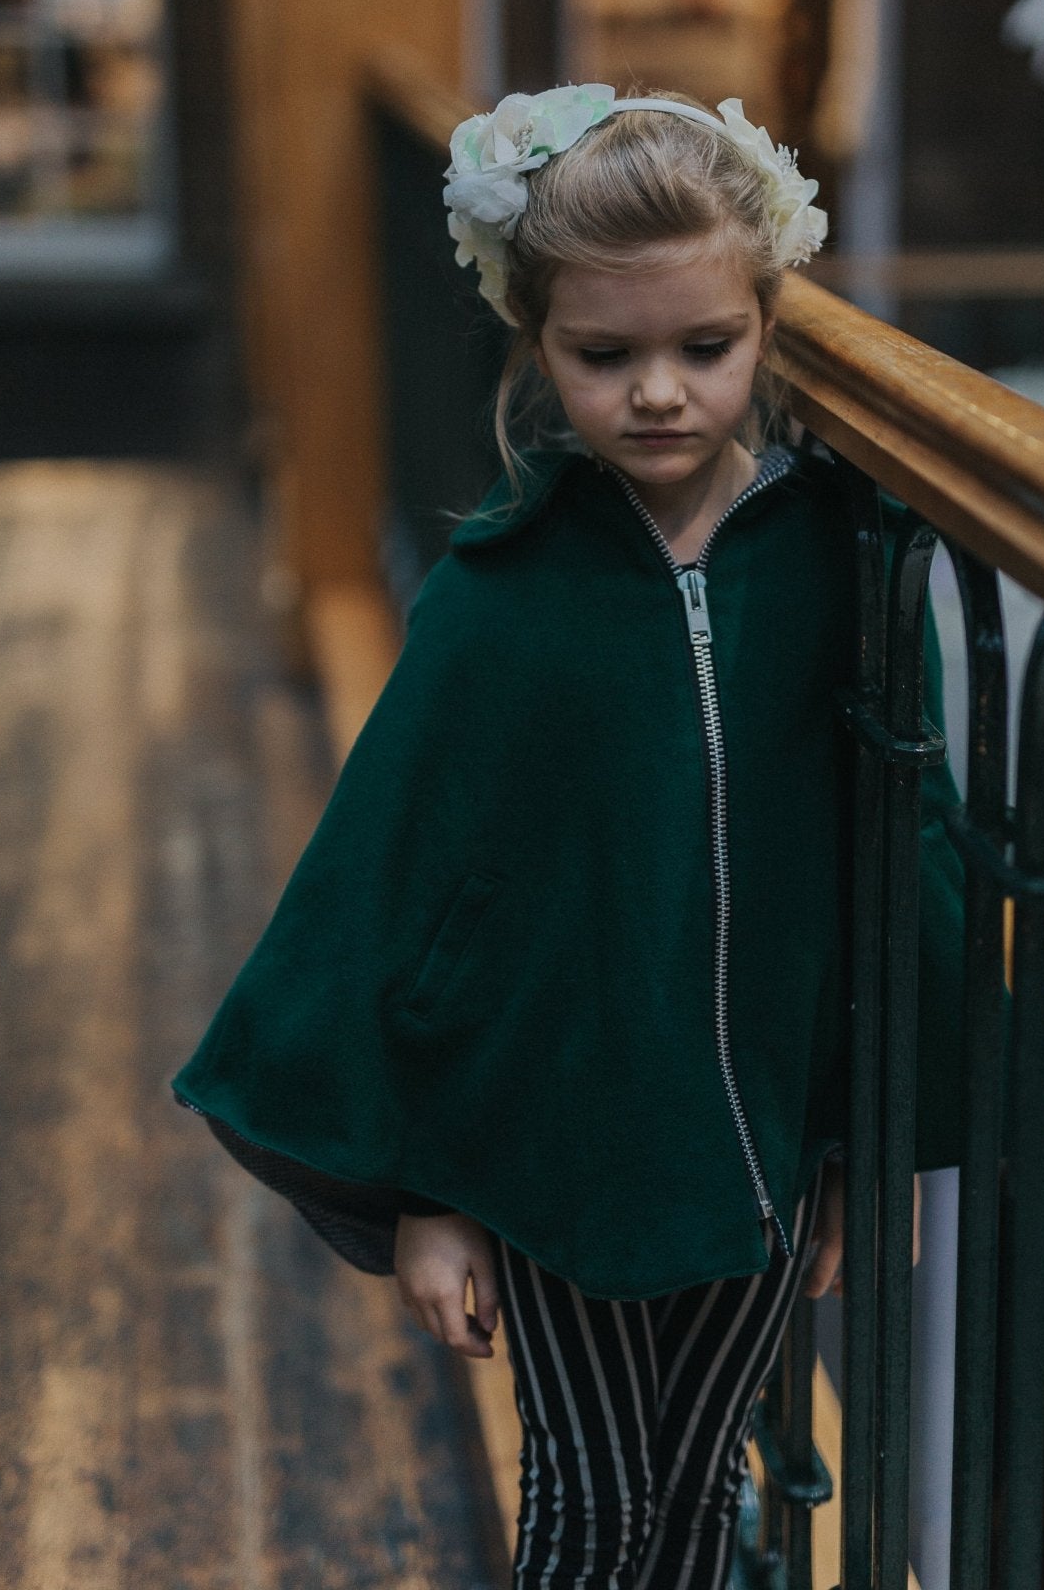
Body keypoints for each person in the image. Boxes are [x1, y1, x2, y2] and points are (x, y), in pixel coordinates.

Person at [171, 82, 976, 1590]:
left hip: (759, 1151)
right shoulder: (498, 599)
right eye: (605, 357)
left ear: (767, 322)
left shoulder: (837, 566)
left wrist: (867, 1146)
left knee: (688, 1491)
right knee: (593, 1506)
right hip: (557, 1159)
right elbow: (411, 899)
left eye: (705, 347)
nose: (659, 392)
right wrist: (431, 1194)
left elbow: (898, 851)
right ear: (534, 344)